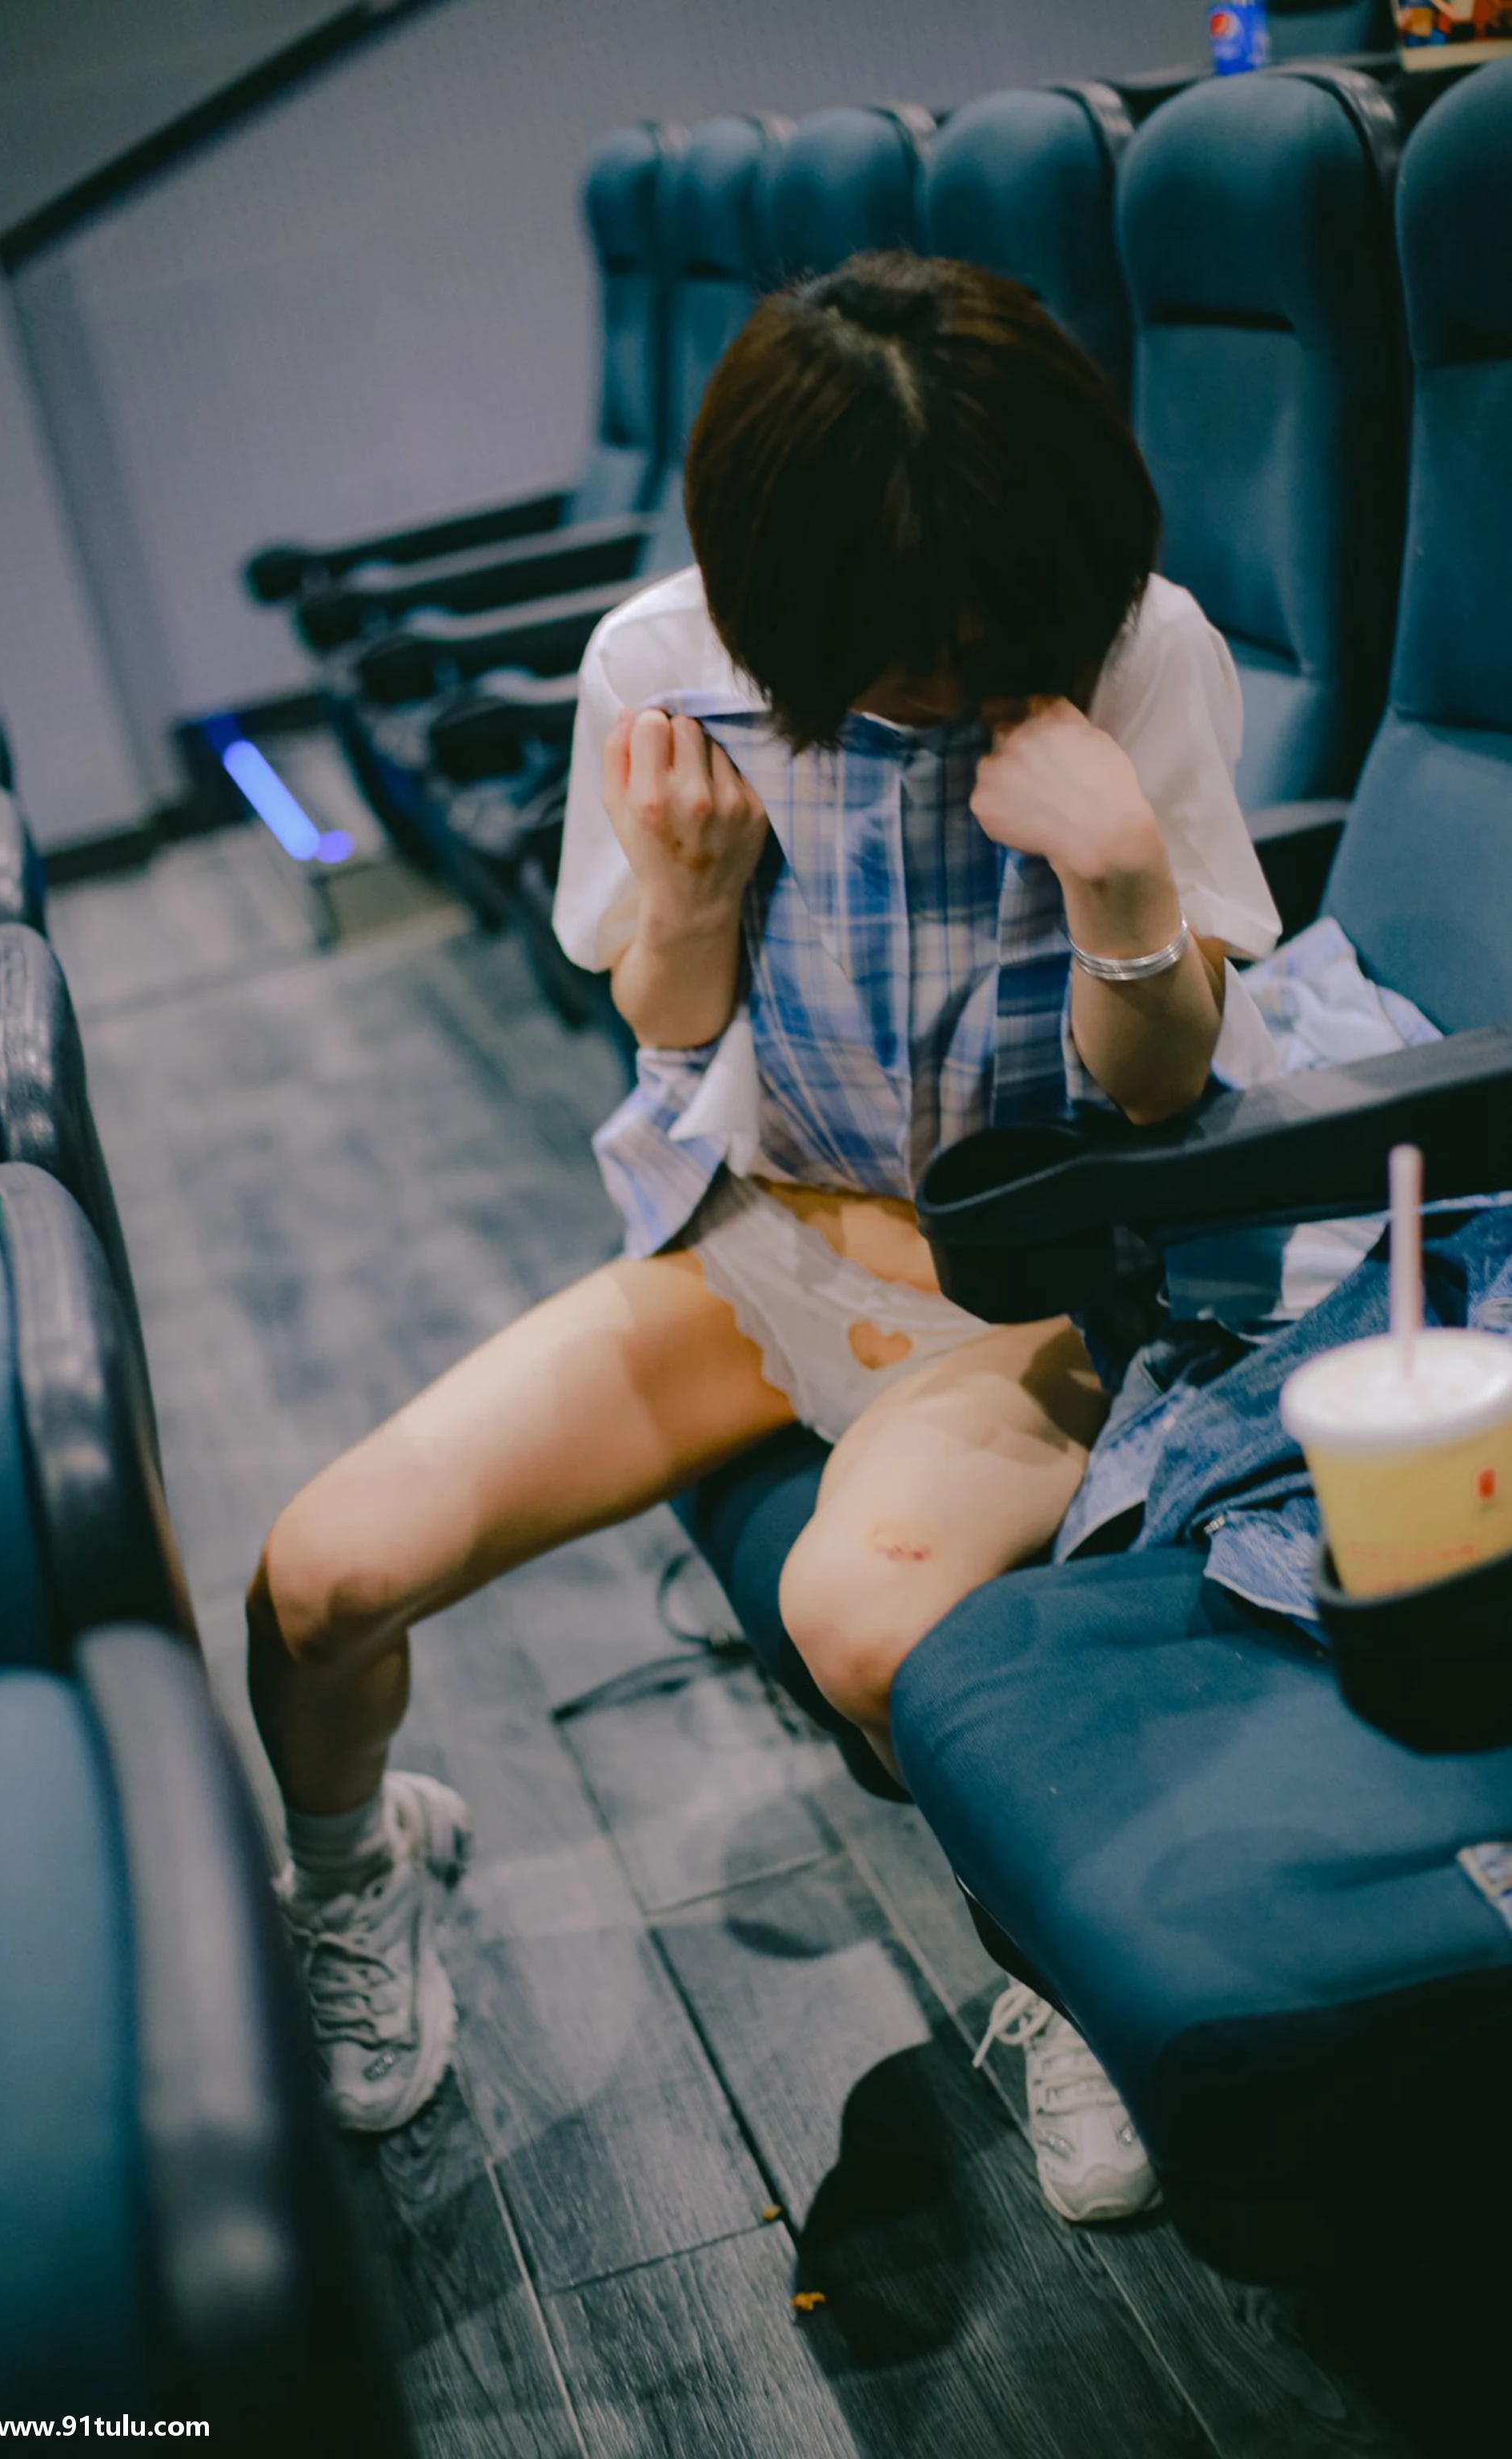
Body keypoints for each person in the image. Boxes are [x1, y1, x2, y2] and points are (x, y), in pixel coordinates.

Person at [246, 255, 1281, 2208]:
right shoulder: (661, 663)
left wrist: (1124, 875)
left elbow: (1162, 1092)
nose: (947, 685)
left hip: (1029, 1293)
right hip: (763, 1245)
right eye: (899, 653)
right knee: (316, 1583)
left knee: (860, 1624)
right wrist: (691, 898)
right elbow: (667, 1022)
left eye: (981, 641)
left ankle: (1060, 1959)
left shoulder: (1140, 646)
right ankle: (361, 1872)